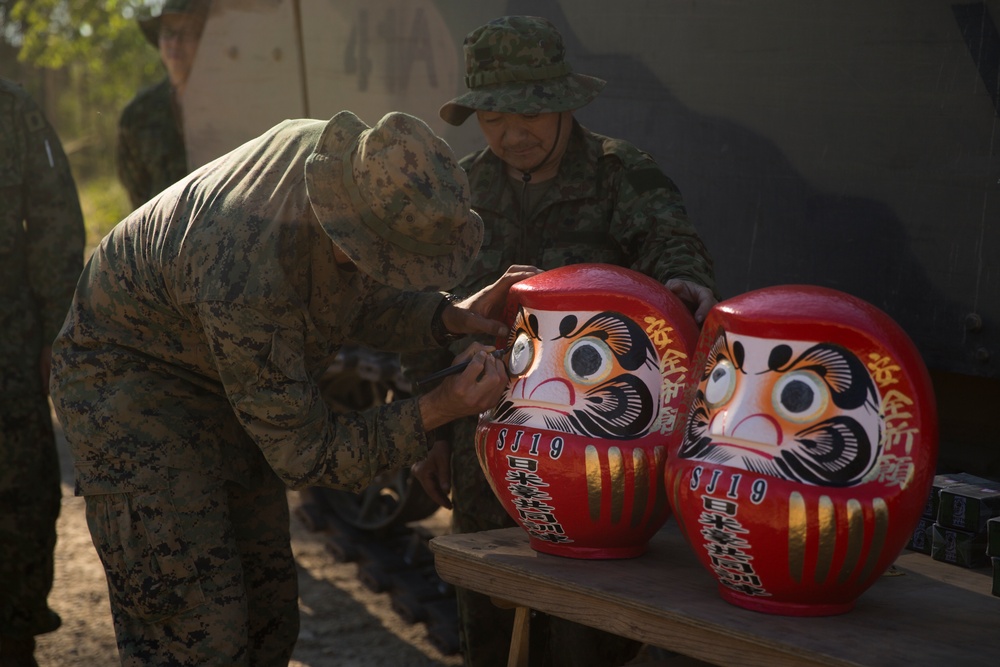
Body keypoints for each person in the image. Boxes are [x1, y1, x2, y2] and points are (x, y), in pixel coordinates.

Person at [49, 109, 538, 665]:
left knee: (267, 614)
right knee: (196, 632)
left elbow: (346, 294)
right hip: (127, 386)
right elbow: (308, 456)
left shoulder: (349, 170)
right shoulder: (249, 274)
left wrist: (446, 316)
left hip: (220, 364)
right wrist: (439, 409)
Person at [408, 16, 718, 667]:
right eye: (493, 118)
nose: (512, 135)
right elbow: (429, 313)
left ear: (564, 103)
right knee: (489, 619)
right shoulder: (461, 189)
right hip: (484, 446)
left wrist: (686, 283)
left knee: (586, 630)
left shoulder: (620, 176)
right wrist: (430, 433)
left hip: (593, 453)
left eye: (529, 116)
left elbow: (674, 250)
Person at [0, 78, 86, 667]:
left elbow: (54, 221)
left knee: (21, 490)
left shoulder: (12, 111)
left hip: (9, 333)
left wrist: (57, 327)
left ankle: (13, 632)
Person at [117, 0, 210, 209]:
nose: (175, 43)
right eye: (168, 33)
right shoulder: (138, 115)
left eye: (186, 33)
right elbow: (137, 192)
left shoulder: (232, 105)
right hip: (161, 236)